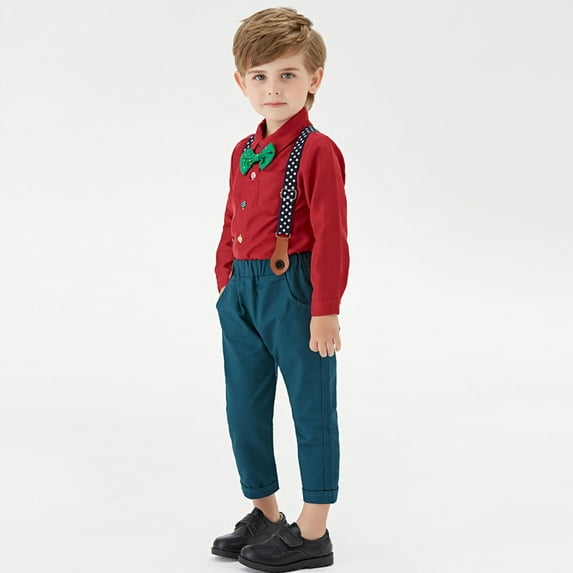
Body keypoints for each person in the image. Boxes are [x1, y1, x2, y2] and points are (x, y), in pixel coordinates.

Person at [211, 7, 349, 572]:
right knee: (243, 406)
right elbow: (230, 220)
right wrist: (225, 282)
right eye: (261, 76)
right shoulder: (242, 151)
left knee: (311, 406)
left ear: (314, 79)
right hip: (241, 293)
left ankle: (313, 529)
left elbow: (333, 236)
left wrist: (325, 308)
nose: (273, 88)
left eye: (288, 74)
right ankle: (265, 512)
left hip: (294, 289)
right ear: (241, 82)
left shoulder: (317, 150)